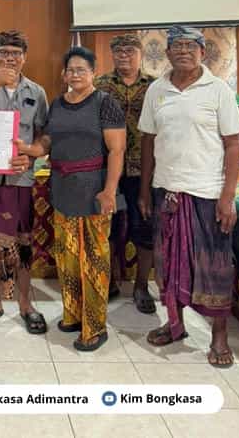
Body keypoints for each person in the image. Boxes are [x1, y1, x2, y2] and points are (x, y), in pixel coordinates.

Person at [138, 25, 239, 367]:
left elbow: (233, 144)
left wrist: (227, 196)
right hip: (167, 191)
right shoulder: (157, 89)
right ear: (167, 52)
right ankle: (175, 324)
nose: (183, 51)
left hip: (207, 194)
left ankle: (219, 337)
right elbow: (148, 141)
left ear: (202, 51)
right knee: (169, 265)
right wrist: (144, 190)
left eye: (190, 45)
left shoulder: (218, 90)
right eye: (177, 46)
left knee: (214, 268)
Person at [23, 46, 126, 351]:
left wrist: (109, 190)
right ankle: (72, 314)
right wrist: (30, 149)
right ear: (64, 74)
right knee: (67, 256)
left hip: (94, 189)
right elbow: (48, 140)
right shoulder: (57, 103)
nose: (75, 74)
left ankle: (94, 326)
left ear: (93, 72)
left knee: (93, 259)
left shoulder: (105, 103)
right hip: (62, 188)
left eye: (82, 69)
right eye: (71, 70)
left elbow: (117, 150)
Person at [0, 30, 49, 335]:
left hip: (20, 178)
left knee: (23, 245)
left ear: (24, 57)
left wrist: (31, 155)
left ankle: (26, 304)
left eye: (15, 53)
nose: (10, 58)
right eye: (4, 52)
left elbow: (43, 135)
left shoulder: (36, 91)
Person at [95, 33, 155, 313]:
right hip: (109, 170)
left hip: (146, 170)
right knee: (109, 228)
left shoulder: (155, 86)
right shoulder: (100, 86)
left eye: (130, 51)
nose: (124, 56)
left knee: (145, 228)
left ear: (140, 54)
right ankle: (109, 281)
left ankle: (141, 286)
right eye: (118, 51)